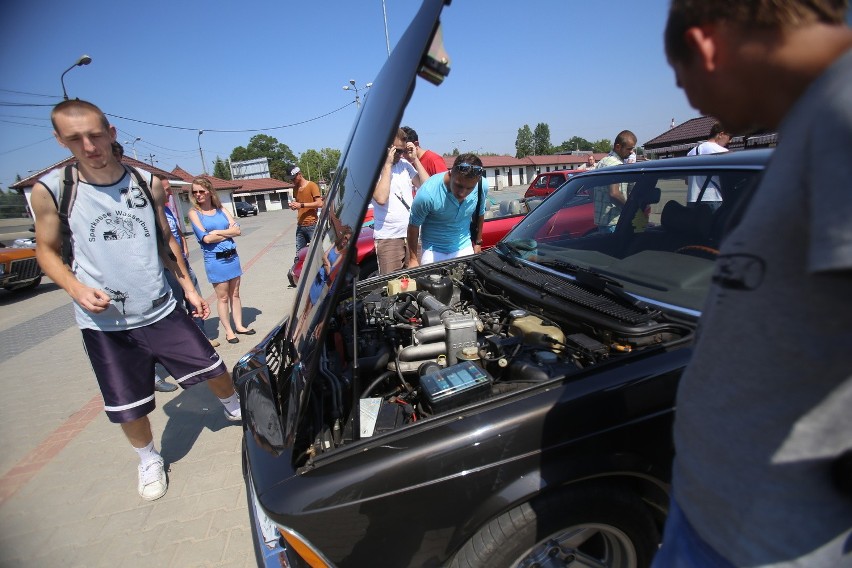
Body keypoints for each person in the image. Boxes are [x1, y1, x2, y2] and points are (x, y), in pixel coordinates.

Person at [651, 2, 852, 567]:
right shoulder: (815, 125)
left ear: (707, 45)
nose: (691, 101)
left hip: (769, 544)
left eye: (680, 77)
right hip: (721, 522)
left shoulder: (844, 115)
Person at [31, 99, 242, 502]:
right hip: (106, 324)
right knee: (129, 405)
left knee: (213, 365)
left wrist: (190, 288)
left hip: (161, 309)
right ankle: (148, 459)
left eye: (95, 135)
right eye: (75, 139)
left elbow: (166, 239)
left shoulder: (147, 182)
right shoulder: (53, 191)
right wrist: (76, 288)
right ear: (61, 141)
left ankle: (234, 407)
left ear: (111, 134)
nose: (89, 146)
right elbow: (46, 251)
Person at [187, 178, 254, 345]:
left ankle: (239, 325)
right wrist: (225, 231)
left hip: (233, 257)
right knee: (223, 298)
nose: (198, 194)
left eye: (201, 191)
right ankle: (229, 331)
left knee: (235, 294)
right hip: (216, 261)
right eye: (195, 192)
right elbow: (207, 239)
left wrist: (217, 231)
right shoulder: (194, 213)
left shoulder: (222, 210)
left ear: (209, 191)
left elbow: (237, 230)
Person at [407, 153, 489, 268]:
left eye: (469, 188)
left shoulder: (482, 186)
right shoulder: (427, 193)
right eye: (458, 185)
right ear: (451, 174)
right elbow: (413, 226)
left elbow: (480, 214)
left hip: (464, 246)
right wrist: (413, 259)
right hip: (433, 250)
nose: (462, 193)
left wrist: (478, 243)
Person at [372, 128, 429, 274]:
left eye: (402, 151)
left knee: (418, 279)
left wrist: (414, 159)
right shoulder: (373, 170)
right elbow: (381, 198)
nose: (400, 155)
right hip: (389, 237)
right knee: (392, 285)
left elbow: (427, 186)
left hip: (412, 233)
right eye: (397, 150)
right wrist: (387, 165)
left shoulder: (405, 165)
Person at [593, 130, 637, 232]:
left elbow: (592, 191)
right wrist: (631, 209)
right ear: (618, 147)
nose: (631, 152)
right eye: (629, 149)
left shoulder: (602, 163)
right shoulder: (615, 165)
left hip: (602, 220)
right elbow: (614, 193)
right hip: (614, 222)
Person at [686, 121, 730, 209]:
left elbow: (687, 181)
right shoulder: (723, 152)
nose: (730, 140)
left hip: (692, 199)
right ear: (721, 134)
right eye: (729, 137)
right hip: (713, 198)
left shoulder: (691, 152)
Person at [287, 166, 323, 262]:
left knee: (318, 254)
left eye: (293, 178)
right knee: (299, 257)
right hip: (300, 226)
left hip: (312, 225)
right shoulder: (295, 189)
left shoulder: (312, 185)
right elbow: (299, 203)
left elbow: (320, 203)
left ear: (299, 174)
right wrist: (293, 206)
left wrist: (301, 205)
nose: (292, 181)